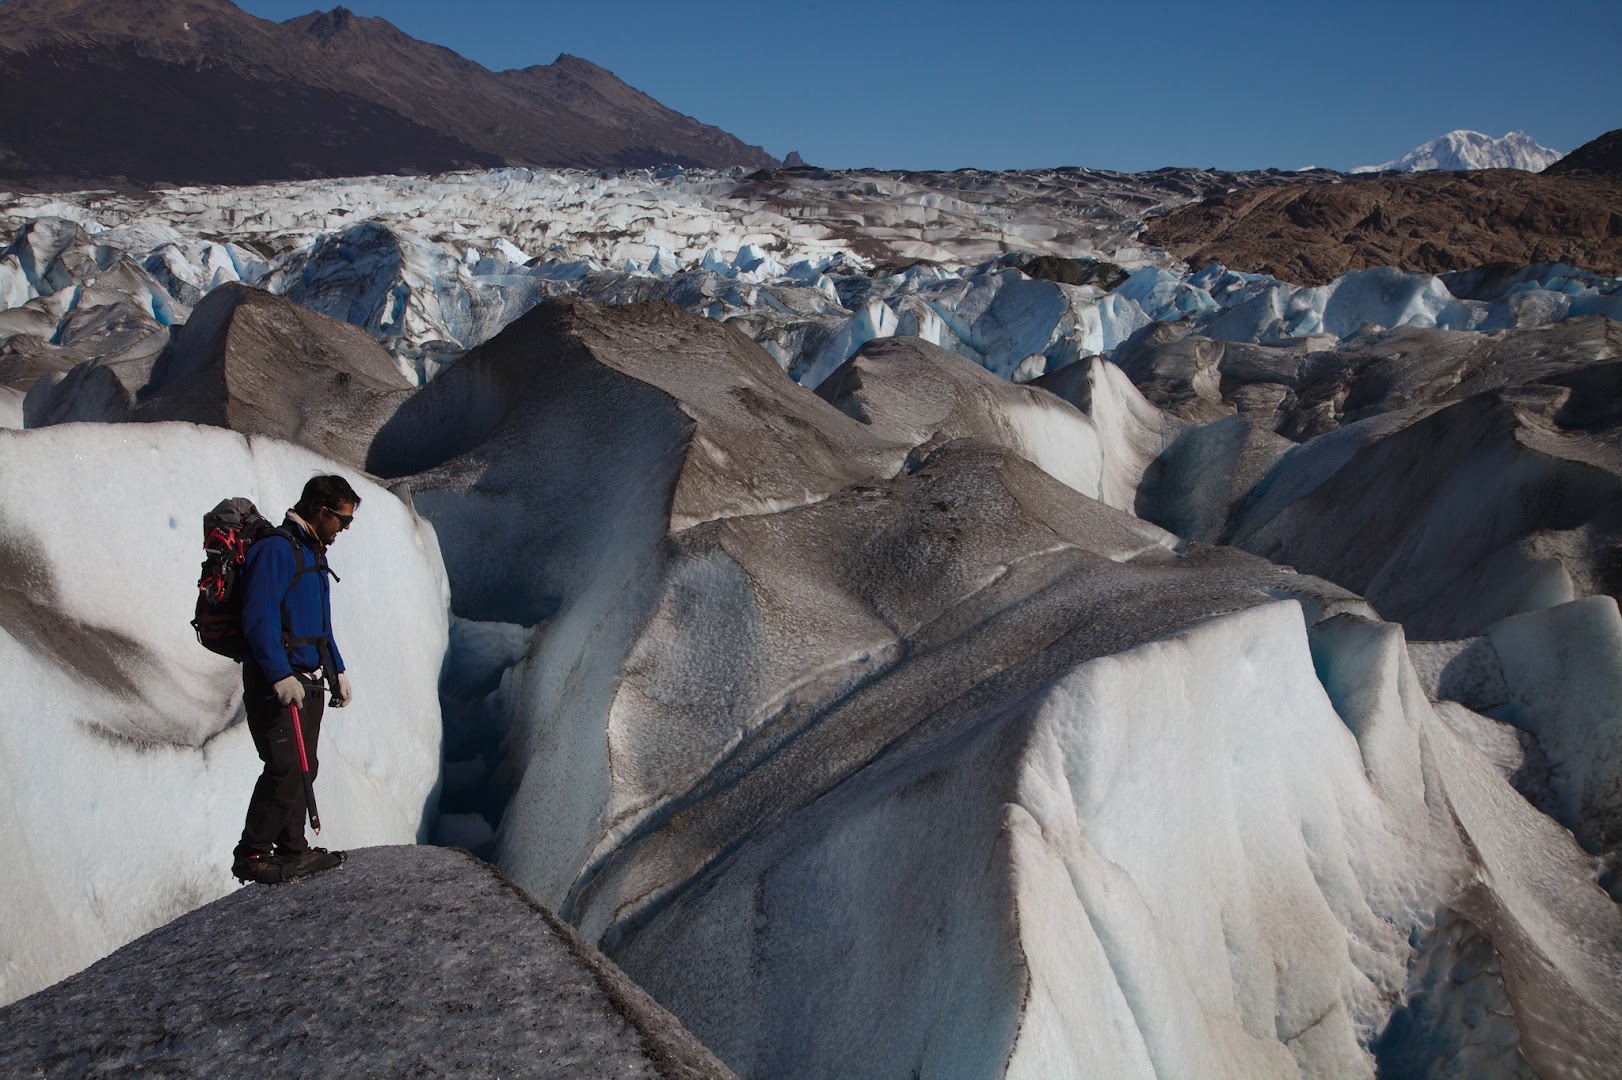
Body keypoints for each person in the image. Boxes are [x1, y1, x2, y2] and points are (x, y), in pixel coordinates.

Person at [230, 475, 360, 885]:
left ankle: (293, 849)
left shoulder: (312, 553)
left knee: (305, 767)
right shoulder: (276, 551)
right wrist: (278, 674)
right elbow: (258, 617)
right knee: (285, 766)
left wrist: (336, 669)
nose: (345, 529)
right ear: (322, 512)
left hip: (310, 679)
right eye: (343, 520)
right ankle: (252, 853)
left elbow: (321, 625)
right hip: (279, 683)